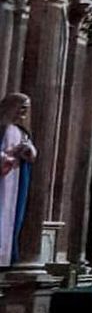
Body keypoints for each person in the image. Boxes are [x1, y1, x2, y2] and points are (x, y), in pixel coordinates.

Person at [0, 93, 36, 267]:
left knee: (11, 217)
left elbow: (31, 156)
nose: (24, 112)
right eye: (21, 107)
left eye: (26, 108)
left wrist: (27, 150)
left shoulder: (22, 132)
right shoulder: (2, 128)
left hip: (14, 182)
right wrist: (6, 158)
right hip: (3, 178)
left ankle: (6, 258)